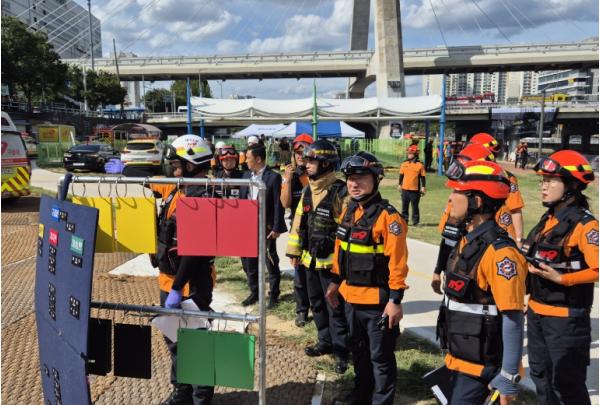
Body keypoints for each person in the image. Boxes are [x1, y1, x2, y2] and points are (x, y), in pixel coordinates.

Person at [436, 159, 527, 404]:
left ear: (476, 201)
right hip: (460, 359)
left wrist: (508, 376)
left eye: (457, 192)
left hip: (483, 370)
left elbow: (513, 317)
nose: (450, 198)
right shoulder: (467, 242)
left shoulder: (501, 254)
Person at [326, 151, 409, 405]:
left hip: (377, 305)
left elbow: (398, 264)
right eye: (350, 178)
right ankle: (360, 394)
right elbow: (340, 251)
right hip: (350, 299)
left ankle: (381, 401)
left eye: (361, 177)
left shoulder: (389, 218)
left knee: (380, 358)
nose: (354, 183)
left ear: (376, 178)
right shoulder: (349, 211)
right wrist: (334, 282)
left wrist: (395, 301)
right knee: (359, 353)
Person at [522, 150, 597, 404]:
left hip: (566, 320)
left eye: (551, 181)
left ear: (572, 186)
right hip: (537, 313)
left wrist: (563, 279)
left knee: (566, 385)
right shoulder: (548, 219)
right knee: (541, 379)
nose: (543, 186)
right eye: (542, 180)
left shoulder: (586, 225)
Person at [151, 134, 216, 405]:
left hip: (191, 283)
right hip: (169, 279)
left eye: (176, 165)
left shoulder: (203, 196)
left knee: (196, 344)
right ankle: (182, 391)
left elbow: (196, 250)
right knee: (175, 339)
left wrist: (178, 287)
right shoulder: (178, 189)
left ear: (190, 165)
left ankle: (201, 398)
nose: (172, 170)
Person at [286, 140, 350, 373]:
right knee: (317, 304)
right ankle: (325, 341)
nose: (306, 164)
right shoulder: (308, 190)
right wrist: (294, 251)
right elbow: (298, 222)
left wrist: (341, 266)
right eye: (307, 160)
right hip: (309, 261)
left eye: (312, 161)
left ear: (325, 163)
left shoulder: (341, 192)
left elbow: (347, 231)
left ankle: (342, 352)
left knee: (335, 308)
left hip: (332, 265)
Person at [431, 143, 520, 294]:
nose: (451, 198)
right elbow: (448, 240)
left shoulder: (498, 214)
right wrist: (438, 270)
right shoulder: (459, 209)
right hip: (455, 276)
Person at [239, 143, 287, 308]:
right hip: (247, 226)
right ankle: (255, 292)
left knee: (270, 261)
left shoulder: (273, 177)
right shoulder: (245, 176)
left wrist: (276, 227)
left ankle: (274, 294)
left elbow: (278, 204)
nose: (245, 161)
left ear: (258, 159)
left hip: (266, 227)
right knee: (248, 261)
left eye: (248, 158)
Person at [469, 132, 525, 247]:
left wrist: (519, 240)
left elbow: (515, 209)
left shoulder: (506, 178)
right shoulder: (467, 176)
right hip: (473, 235)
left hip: (500, 237)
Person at [281, 133, 313, 327]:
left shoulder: (317, 172)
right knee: (299, 273)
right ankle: (302, 310)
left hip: (317, 227)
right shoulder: (290, 176)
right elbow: (285, 203)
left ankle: (319, 308)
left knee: (316, 272)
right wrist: (287, 179)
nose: (300, 156)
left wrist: (303, 175)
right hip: (298, 228)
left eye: (304, 152)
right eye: (297, 152)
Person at [398, 144, 426, 226]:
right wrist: (399, 184)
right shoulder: (404, 164)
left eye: (410, 153)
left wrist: (423, 187)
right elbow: (401, 175)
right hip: (405, 189)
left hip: (415, 190)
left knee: (415, 207)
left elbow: (423, 177)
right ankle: (404, 221)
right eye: (408, 153)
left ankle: (416, 222)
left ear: (415, 154)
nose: (408, 154)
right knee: (404, 207)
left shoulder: (420, 165)